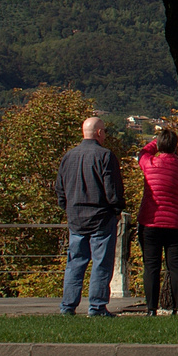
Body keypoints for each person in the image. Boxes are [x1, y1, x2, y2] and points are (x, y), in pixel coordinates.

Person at [54, 116, 125, 317]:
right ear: (99, 133)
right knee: (101, 264)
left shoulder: (69, 156)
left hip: (76, 218)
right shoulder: (105, 156)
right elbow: (112, 189)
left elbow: (60, 188)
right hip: (101, 217)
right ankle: (97, 306)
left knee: (75, 263)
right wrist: (117, 209)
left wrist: (67, 208)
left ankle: (68, 306)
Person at [137, 125, 178, 315]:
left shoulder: (149, 164)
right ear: (176, 147)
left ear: (159, 146)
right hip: (176, 221)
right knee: (176, 266)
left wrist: (156, 142)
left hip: (150, 221)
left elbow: (143, 152)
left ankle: (151, 308)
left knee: (151, 266)